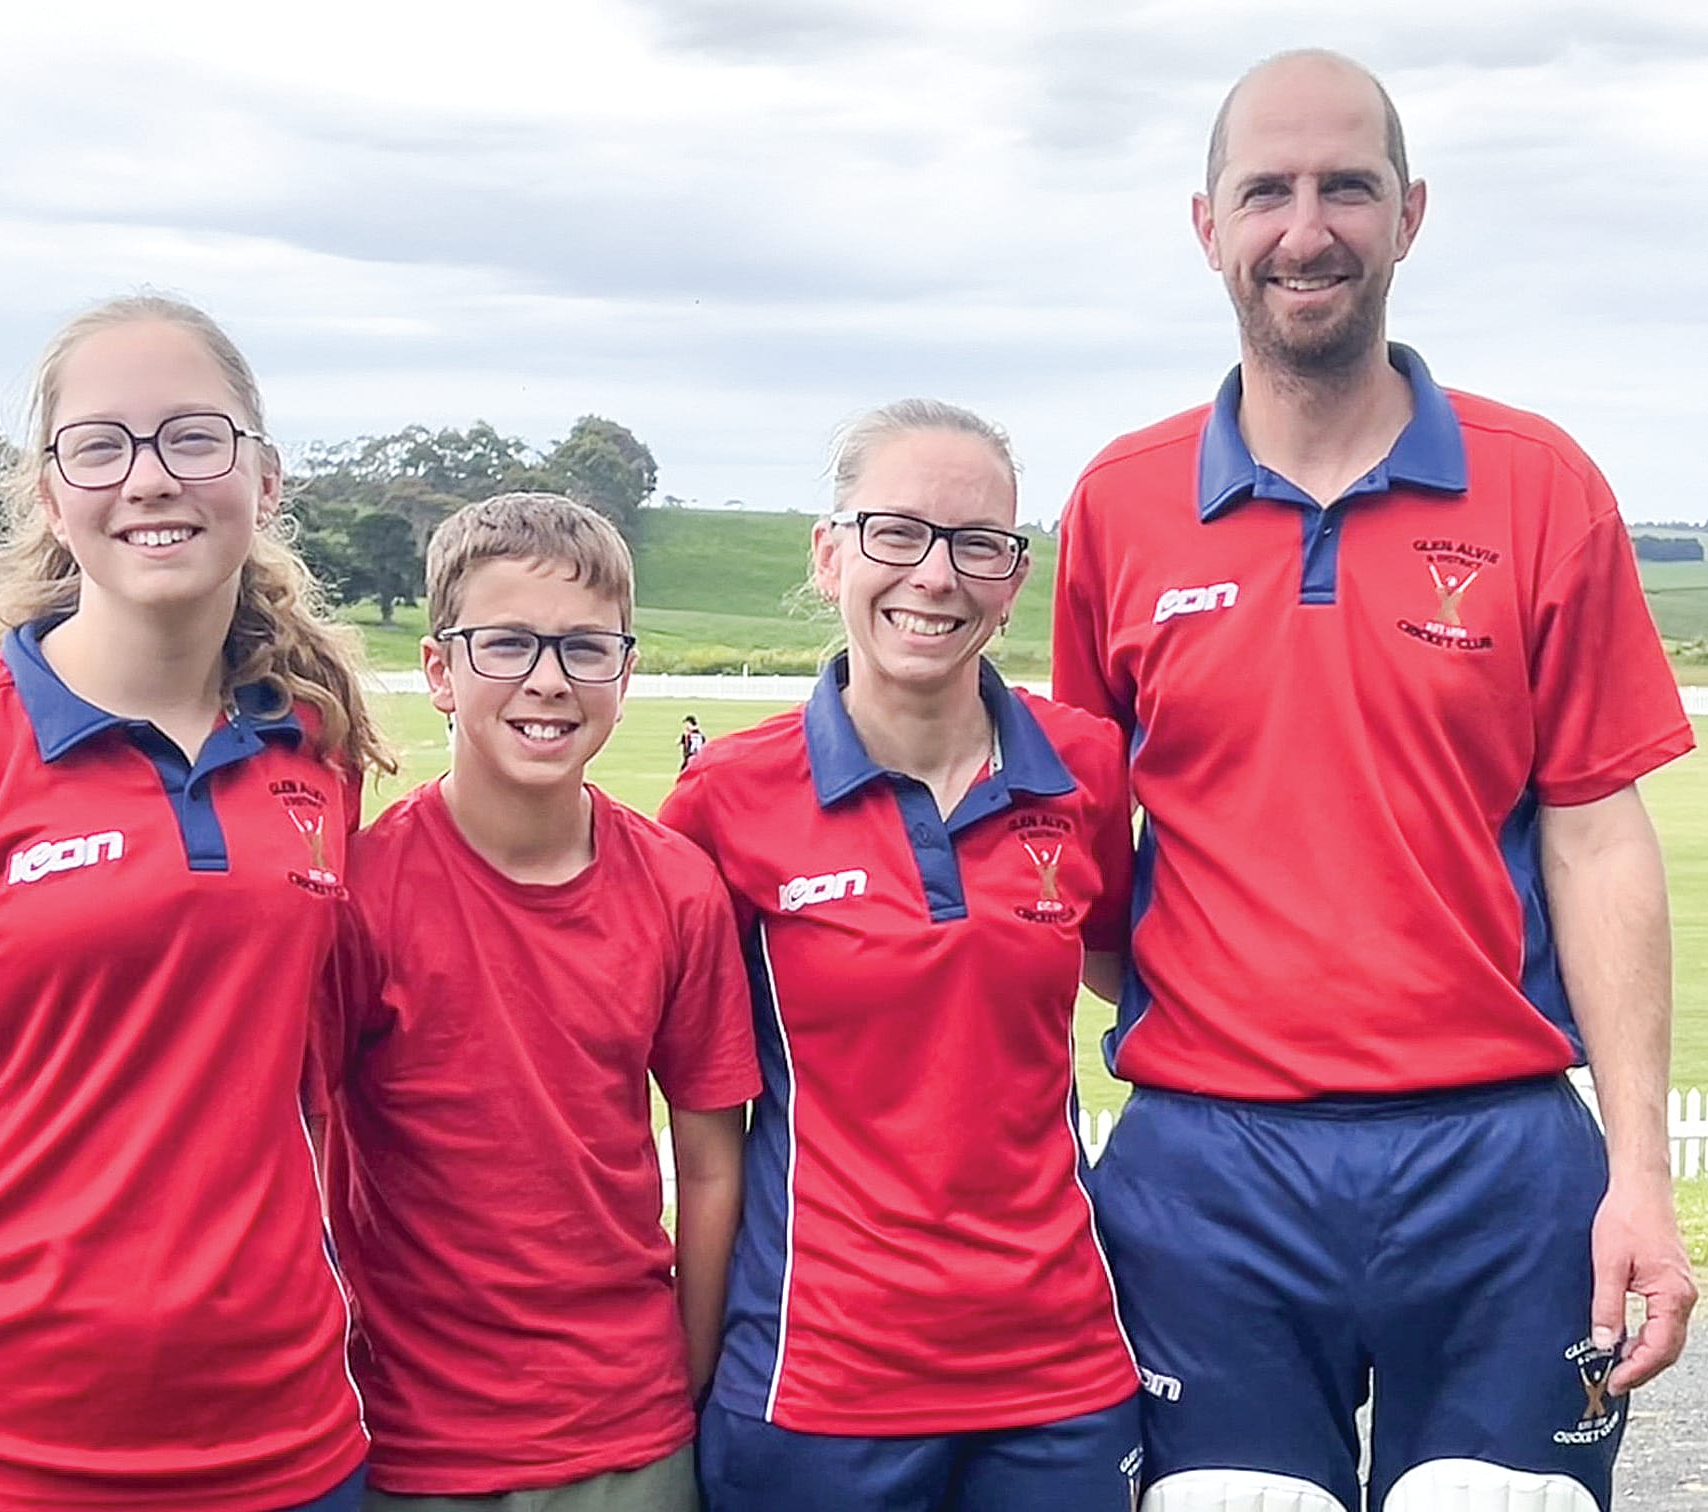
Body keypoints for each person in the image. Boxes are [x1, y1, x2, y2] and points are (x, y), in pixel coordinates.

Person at [1052, 50, 1697, 1512]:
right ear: (1204, 224)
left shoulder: (1542, 486)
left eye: (1345, 185)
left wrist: (1640, 1178)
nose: (1305, 226)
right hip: (1206, 1170)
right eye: (1264, 190)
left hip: (1498, 1157)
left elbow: (1599, 837)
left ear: (1408, 215)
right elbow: (1083, 840)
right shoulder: (1120, 501)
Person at [0, 295, 392, 1512]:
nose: (151, 480)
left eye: (193, 439)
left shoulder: (313, 754)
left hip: (285, 1448)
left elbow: (306, 1086)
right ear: (55, 495)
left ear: (265, 481)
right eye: (102, 446)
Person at [659, 400, 1142, 1512]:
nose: (935, 576)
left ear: (1012, 578)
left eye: (977, 544)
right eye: (896, 533)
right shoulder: (725, 801)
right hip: (817, 1382)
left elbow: (1131, 973)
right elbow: (687, 1110)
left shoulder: (1081, 768)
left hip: (1059, 1375)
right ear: (829, 555)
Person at [315, 493, 760, 1512]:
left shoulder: (677, 888)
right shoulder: (361, 891)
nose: (549, 681)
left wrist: (680, 1384)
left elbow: (705, 1163)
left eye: (584, 649)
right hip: (406, 1437)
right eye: (507, 644)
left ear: (626, 670)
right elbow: (297, 1144)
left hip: (628, 1433)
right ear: (440, 671)